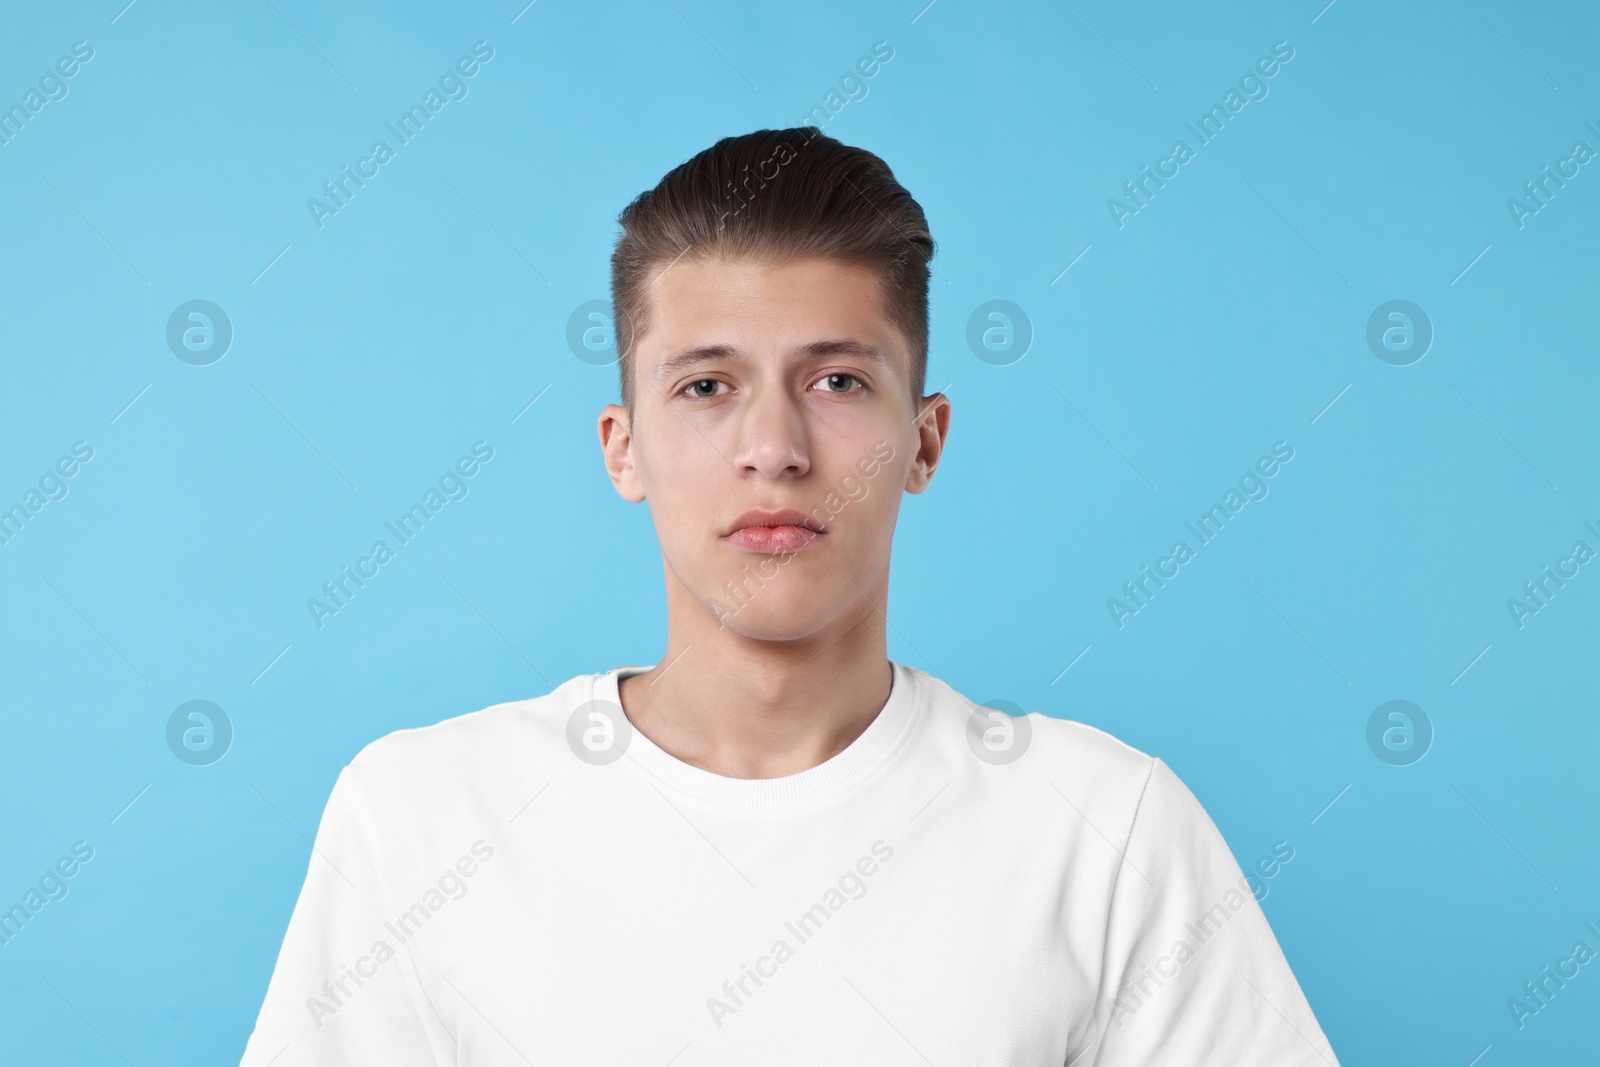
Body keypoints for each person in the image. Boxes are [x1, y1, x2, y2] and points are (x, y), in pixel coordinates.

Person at [239, 126, 1341, 1065]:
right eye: (706, 385)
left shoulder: (1106, 830)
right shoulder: (422, 819)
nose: (773, 446)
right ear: (623, 448)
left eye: (837, 381)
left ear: (926, 438)